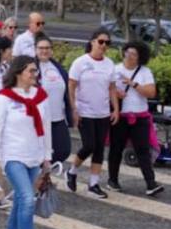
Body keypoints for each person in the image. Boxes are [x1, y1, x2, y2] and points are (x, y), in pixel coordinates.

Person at [0, 55, 52, 229]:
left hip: (34, 155)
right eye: (31, 71)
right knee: (27, 199)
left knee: (22, 201)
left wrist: (47, 155)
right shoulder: (4, 98)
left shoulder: (41, 96)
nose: (35, 75)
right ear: (19, 72)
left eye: (36, 71)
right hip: (12, 156)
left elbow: (46, 127)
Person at [106, 40, 164, 196]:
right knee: (116, 149)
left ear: (140, 57)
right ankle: (112, 179)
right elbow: (105, 89)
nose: (129, 56)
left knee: (143, 150)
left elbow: (151, 93)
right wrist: (116, 93)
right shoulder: (115, 69)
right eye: (127, 52)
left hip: (140, 117)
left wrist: (133, 84)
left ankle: (151, 183)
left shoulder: (145, 72)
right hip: (121, 116)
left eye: (133, 54)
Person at [65, 29, 117, 199]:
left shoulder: (109, 64)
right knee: (89, 145)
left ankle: (93, 183)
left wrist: (115, 109)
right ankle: (72, 171)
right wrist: (73, 109)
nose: (104, 46)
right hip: (85, 111)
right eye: (101, 42)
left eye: (107, 43)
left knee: (100, 149)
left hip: (102, 112)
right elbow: (71, 86)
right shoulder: (80, 62)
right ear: (92, 42)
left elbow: (112, 88)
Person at [34, 35, 73, 166]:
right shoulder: (31, 68)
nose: (44, 51)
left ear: (51, 50)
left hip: (58, 118)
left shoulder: (58, 68)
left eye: (47, 48)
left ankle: (44, 173)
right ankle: (39, 177)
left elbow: (67, 92)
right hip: (39, 119)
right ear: (35, 50)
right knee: (41, 152)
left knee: (64, 150)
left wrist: (72, 111)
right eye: (41, 48)